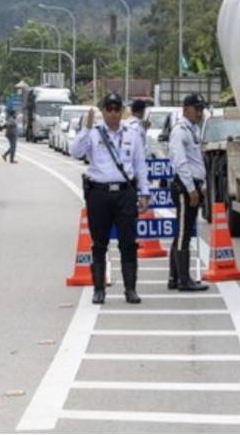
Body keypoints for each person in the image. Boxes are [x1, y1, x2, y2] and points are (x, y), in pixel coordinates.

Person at [70, 92, 150, 305]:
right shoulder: (93, 133)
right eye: (109, 109)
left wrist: (144, 193)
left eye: (117, 109)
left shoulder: (131, 134)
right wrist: (85, 129)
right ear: (103, 111)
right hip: (99, 194)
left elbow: (140, 165)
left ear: (122, 111)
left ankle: (130, 289)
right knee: (99, 244)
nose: (113, 113)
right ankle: (99, 290)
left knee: (128, 243)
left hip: (125, 193)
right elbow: (75, 152)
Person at [167, 93, 209, 291]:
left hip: (192, 185)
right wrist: (191, 189)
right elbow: (180, 161)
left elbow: (196, 161)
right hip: (185, 187)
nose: (200, 112)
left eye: (201, 109)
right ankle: (184, 280)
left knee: (182, 233)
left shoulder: (192, 129)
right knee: (184, 234)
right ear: (186, 109)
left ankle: (174, 277)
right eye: (196, 108)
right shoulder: (180, 130)